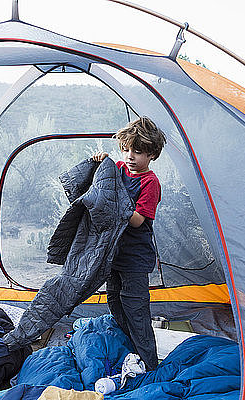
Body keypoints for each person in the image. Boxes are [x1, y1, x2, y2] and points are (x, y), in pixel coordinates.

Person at [92, 116, 166, 371]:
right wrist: (104, 164)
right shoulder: (121, 170)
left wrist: (116, 199)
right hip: (115, 253)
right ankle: (130, 349)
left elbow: (136, 220)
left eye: (138, 151)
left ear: (152, 154)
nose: (130, 156)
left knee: (136, 308)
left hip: (135, 258)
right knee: (115, 301)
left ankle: (150, 363)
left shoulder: (150, 183)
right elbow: (108, 176)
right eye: (126, 149)